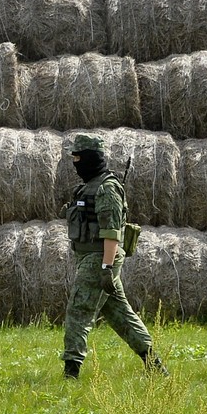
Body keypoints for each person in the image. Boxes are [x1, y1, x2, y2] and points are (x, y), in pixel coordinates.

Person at [62, 134, 166, 379]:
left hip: (99, 260)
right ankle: (155, 366)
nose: (75, 162)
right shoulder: (87, 186)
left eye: (78, 157)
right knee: (120, 314)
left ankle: (70, 373)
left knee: (78, 312)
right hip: (96, 260)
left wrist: (106, 267)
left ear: (91, 158)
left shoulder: (107, 188)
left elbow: (112, 233)